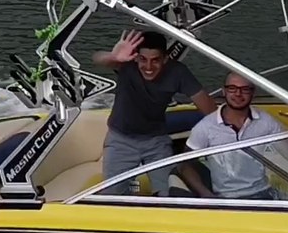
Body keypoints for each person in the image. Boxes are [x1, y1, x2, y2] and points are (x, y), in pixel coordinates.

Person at [93, 29, 217, 195]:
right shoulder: (125, 64)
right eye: (143, 60)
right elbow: (96, 58)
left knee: (169, 192)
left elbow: (208, 107)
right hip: (120, 140)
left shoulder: (178, 72)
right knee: (112, 194)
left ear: (165, 59)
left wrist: (222, 132)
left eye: (155, 60)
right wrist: (113, 57)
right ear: (136, 57)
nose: (149, 67)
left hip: (156, 142)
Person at [178, 72, 288, 200]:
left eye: (245, 89)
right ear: (224, 91)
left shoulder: (266, 121)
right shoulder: (205, 126)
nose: (238, 94)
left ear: (253, 93)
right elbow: (184, 165)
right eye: (232, 88)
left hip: (263, 193)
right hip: (227, 198)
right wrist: (206, 194)